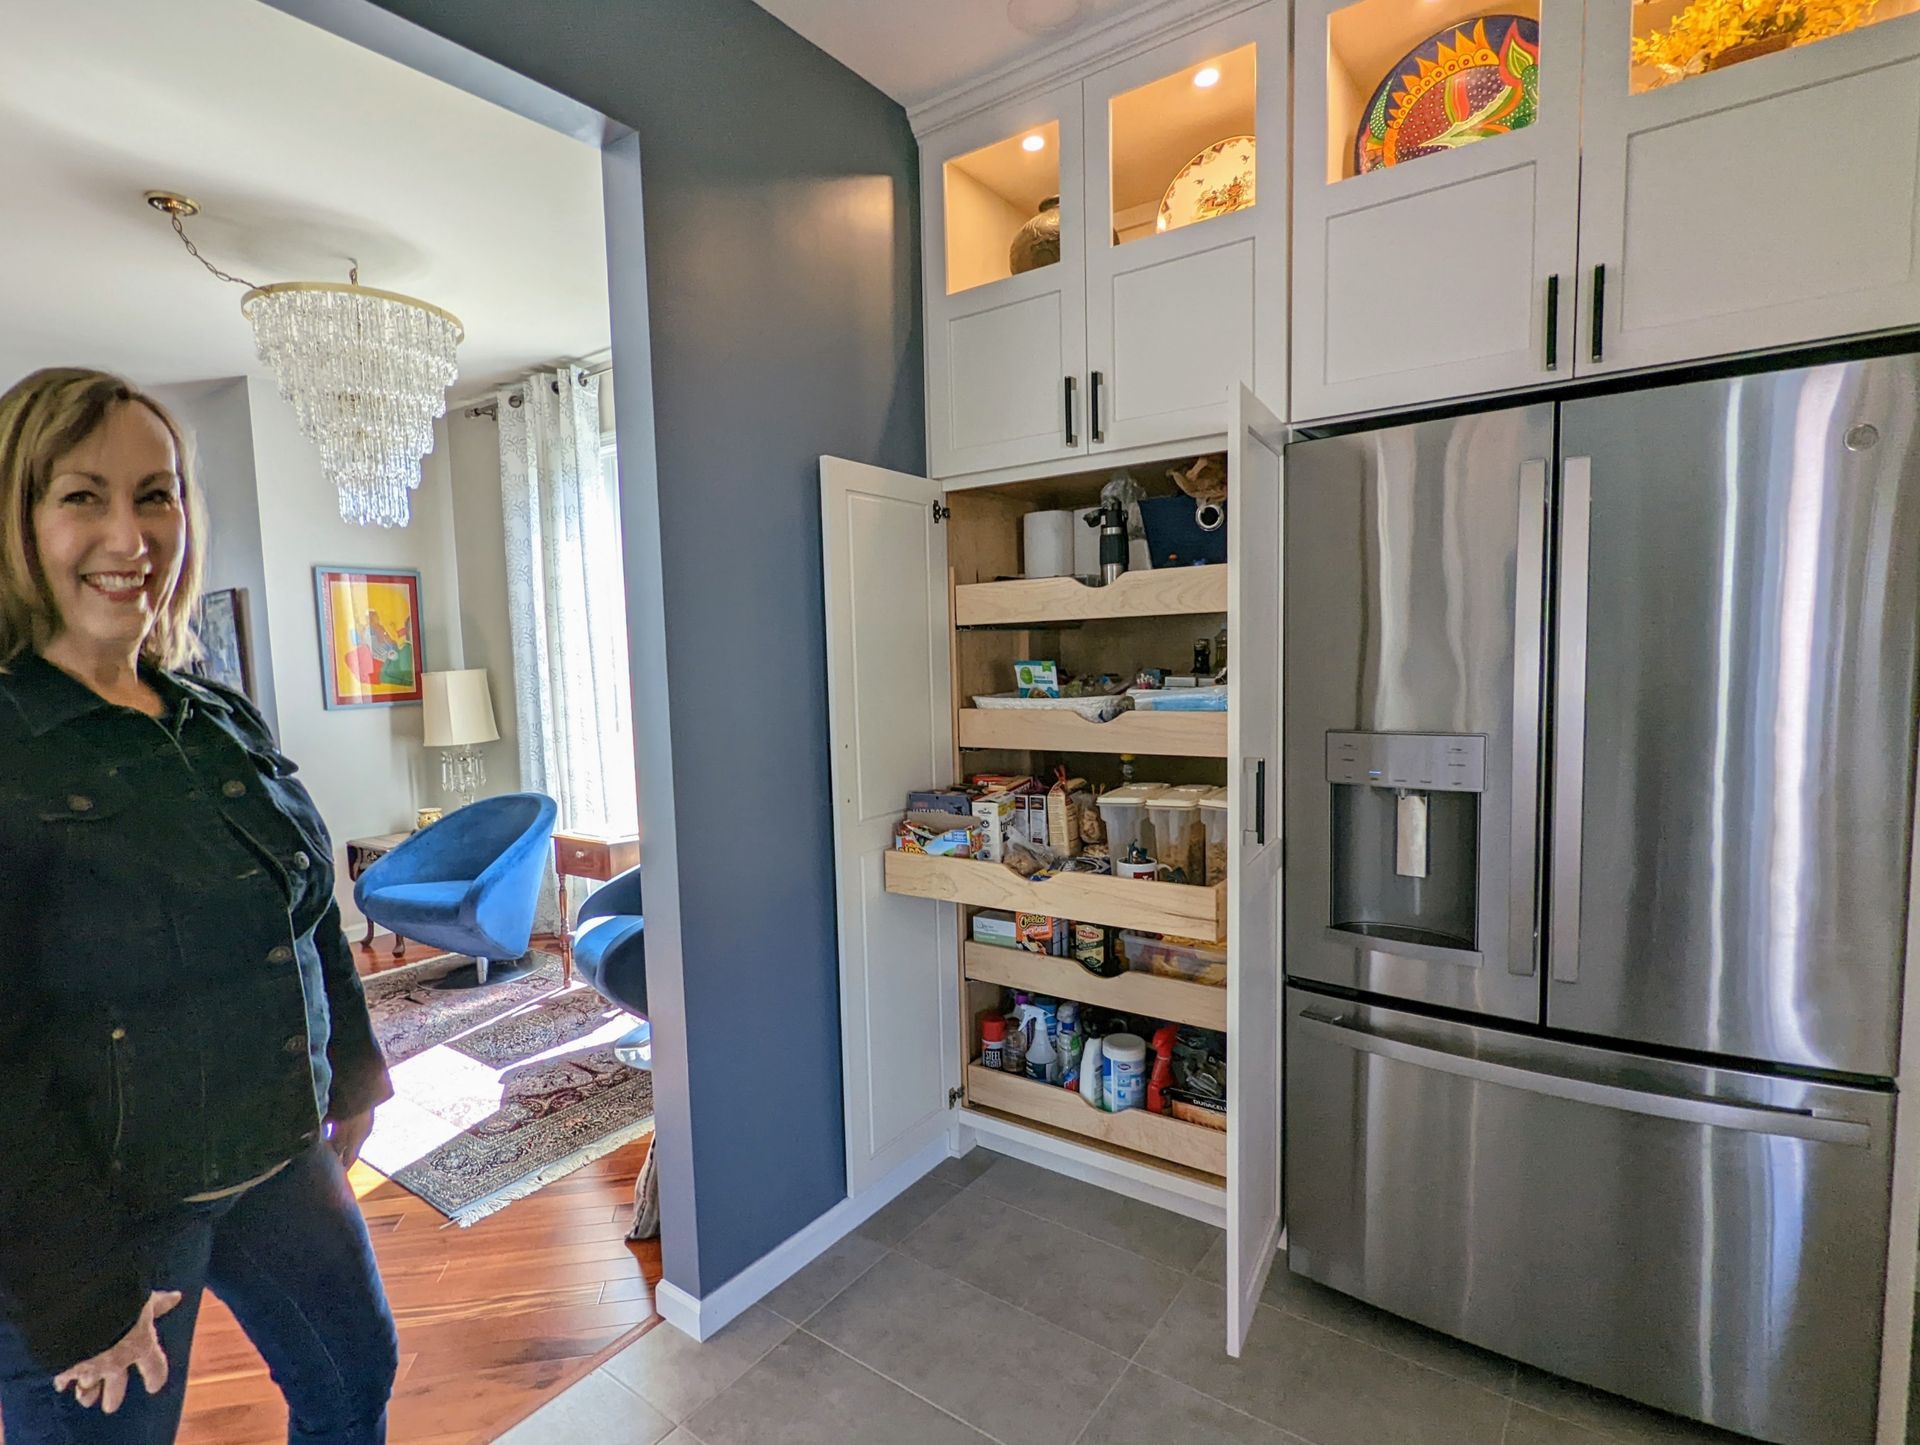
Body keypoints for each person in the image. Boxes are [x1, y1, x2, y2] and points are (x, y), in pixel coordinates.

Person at [0, 368, 399, 1443]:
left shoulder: (216, 709)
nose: (130, 535)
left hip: (280, 1155)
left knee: (355, 1379)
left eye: (158, 493)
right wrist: (74, 1286)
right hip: (104, 1214)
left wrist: (353, 1068)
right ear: (17, 516)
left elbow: (305, 914)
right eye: (82, 495)